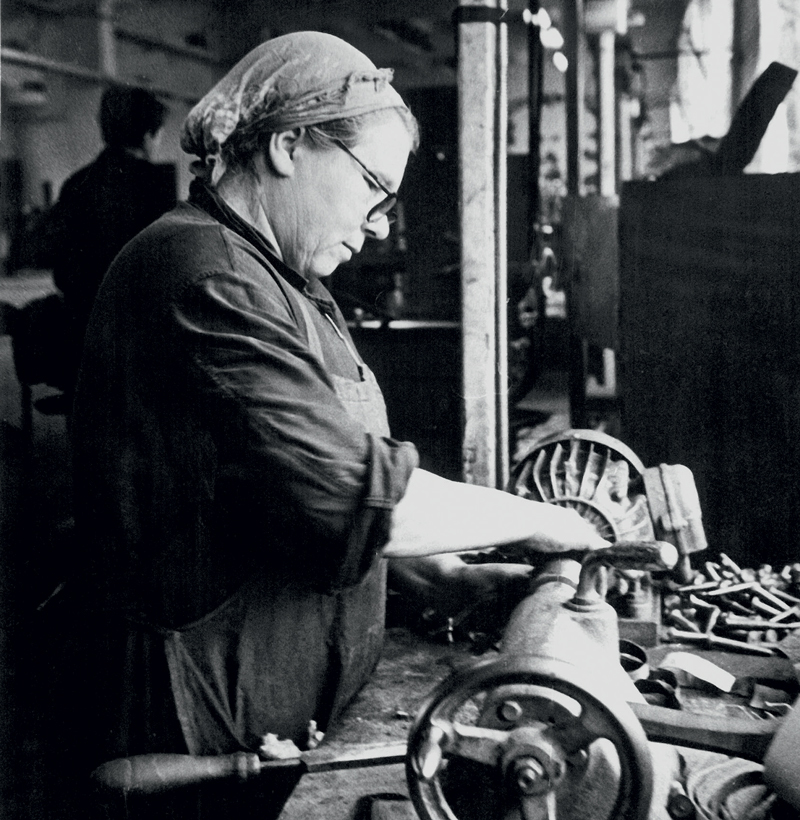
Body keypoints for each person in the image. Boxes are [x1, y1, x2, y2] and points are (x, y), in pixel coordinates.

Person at [60, 31, 607, 818]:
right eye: (374, 187)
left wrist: (438, 581)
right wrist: (552, 525)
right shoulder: (199, 272)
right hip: (194, 706)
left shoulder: (287, 281)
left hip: (280, 689)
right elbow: (351, 491)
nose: (383, 223)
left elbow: (273, 485)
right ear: (289, 146)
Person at [38, 85, 174, 403]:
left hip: (81, 337)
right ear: (147, 134)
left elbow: (60, 264)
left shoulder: (76, 183)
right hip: (140, 346)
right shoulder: (155, 185)